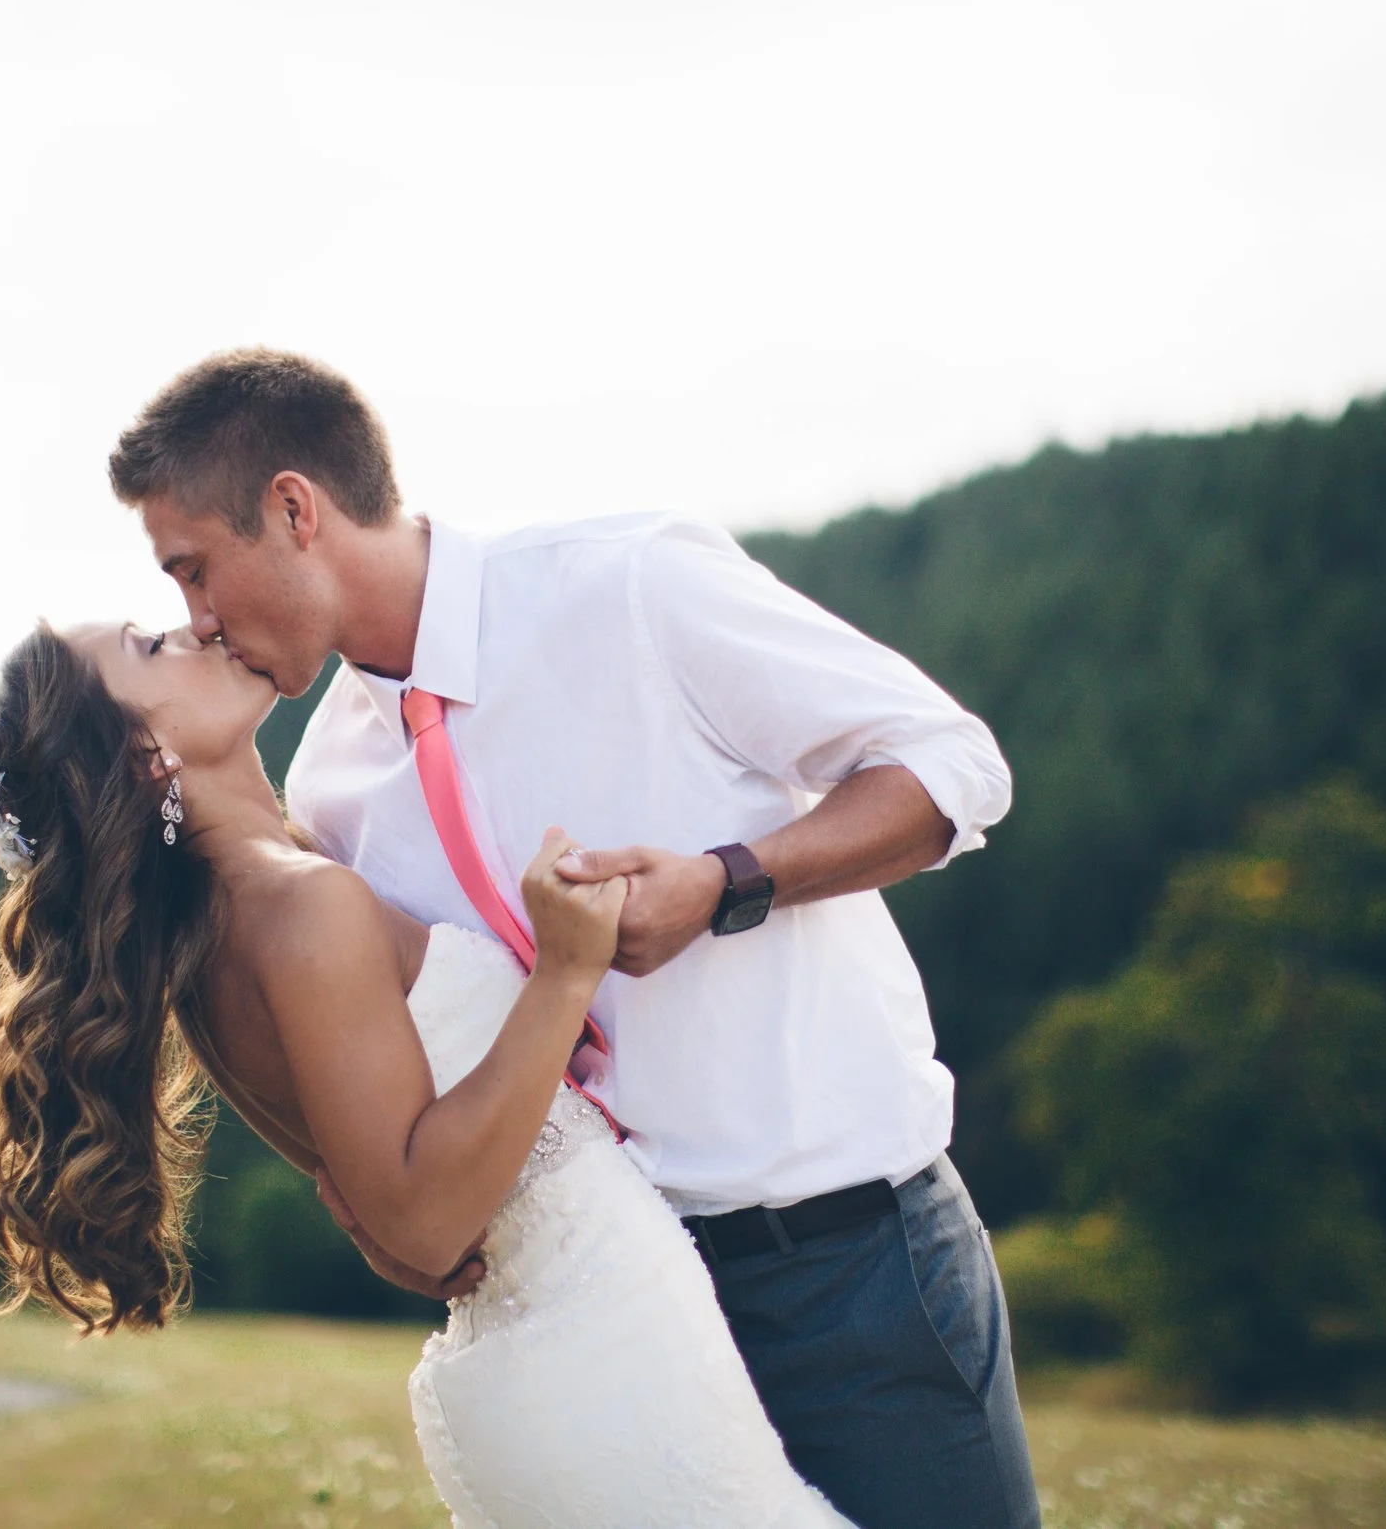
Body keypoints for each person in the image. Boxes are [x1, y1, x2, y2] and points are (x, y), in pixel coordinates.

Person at [107, 348, 1041, 1529]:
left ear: (294, 509)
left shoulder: (629, 586)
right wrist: (379, 1217)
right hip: (606, 1328)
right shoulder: (329, 784)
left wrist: (725, 880)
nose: (195, 618)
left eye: (196, 569)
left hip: (844, 1269)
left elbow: (956, 765)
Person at [0, 621, 852, 1527]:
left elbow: (363, 1184)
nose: (190, 626)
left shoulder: (222, 936)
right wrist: (564, 972)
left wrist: (384, 1218)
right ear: (151, 752)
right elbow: (424, 1222)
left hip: (562, 1357)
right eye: (148, 647)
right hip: (598, 1351)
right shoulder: (303, 907)